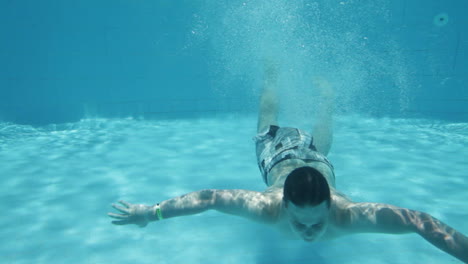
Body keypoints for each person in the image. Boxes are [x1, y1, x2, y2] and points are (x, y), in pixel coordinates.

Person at [108, 63, 468, 263]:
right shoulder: (266, 206)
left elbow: (422, 222)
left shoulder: (349, 215)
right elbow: (208, 198)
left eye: (316, 222)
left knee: (321, 145)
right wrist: (148, 213)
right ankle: (272, 76)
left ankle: (327, 100)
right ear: (283, 204)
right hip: (277, 157)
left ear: (333, 203)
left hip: (314, 163)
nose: (308, 232)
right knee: (268, 120)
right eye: (300, 222)